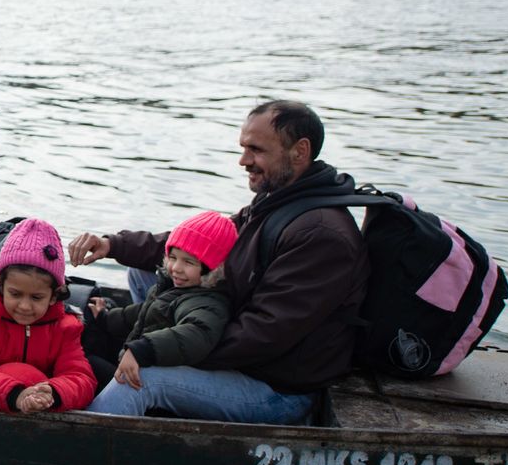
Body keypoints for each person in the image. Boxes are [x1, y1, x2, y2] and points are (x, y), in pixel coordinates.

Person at [67, 100, 368, 424]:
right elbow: (196, 244)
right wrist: (114, 245)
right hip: (238, 346)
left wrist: (160, 349)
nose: (244, 161)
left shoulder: (321, 235)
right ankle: (148, 365)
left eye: (256, 150)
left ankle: (76, 450)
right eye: (243, 148)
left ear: (300, 151)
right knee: (145, 273)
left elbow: (264, 335)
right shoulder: (277, 200)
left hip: (274, 387)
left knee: (142, 380)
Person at [81, 210, 237, 404]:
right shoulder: (175, 287)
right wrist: (105, 317)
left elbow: (195, 334)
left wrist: (142, 349)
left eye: (189, 262)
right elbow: (143, 312)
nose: (176, 268)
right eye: (173, 257)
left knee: (87, 364)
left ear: (212, 268)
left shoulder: (208, 303)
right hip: (134, 359)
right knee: (87, 349)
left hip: (145, 377)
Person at [0, 218, 96, 414]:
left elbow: (82, 378)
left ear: (54, 296)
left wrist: (53, 392)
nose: (25, 306)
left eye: (36, 297)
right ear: (0, 285)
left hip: (42, 408)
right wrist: (15, 394)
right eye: (15, 294)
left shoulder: (66, 328)